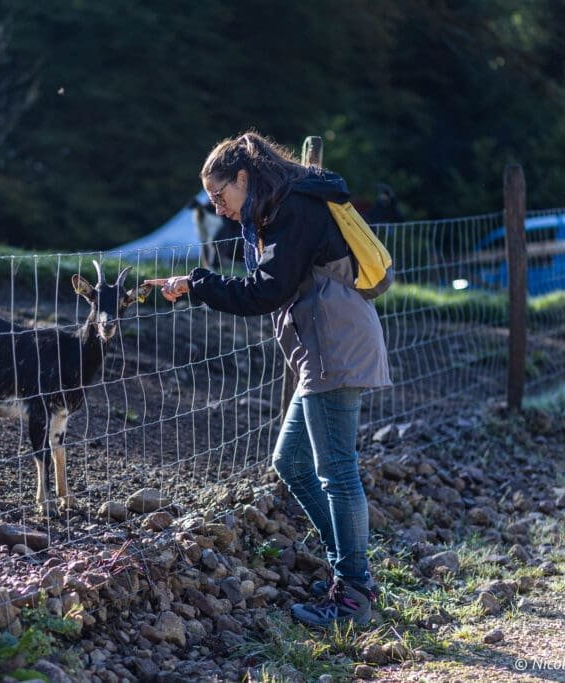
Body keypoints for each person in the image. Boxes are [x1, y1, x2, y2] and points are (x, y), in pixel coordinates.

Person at [144, 132, 391, 628]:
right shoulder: (276, 207)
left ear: (243, 177)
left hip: (333, 345)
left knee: (337, 472)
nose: (219, 208)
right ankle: (353, 576)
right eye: (212, 202)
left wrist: (198, 284)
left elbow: (266, 291)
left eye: (220, 196)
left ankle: (352, 595)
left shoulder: (293, 209)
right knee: (292, 462)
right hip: (323, 347)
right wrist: (196, 283)